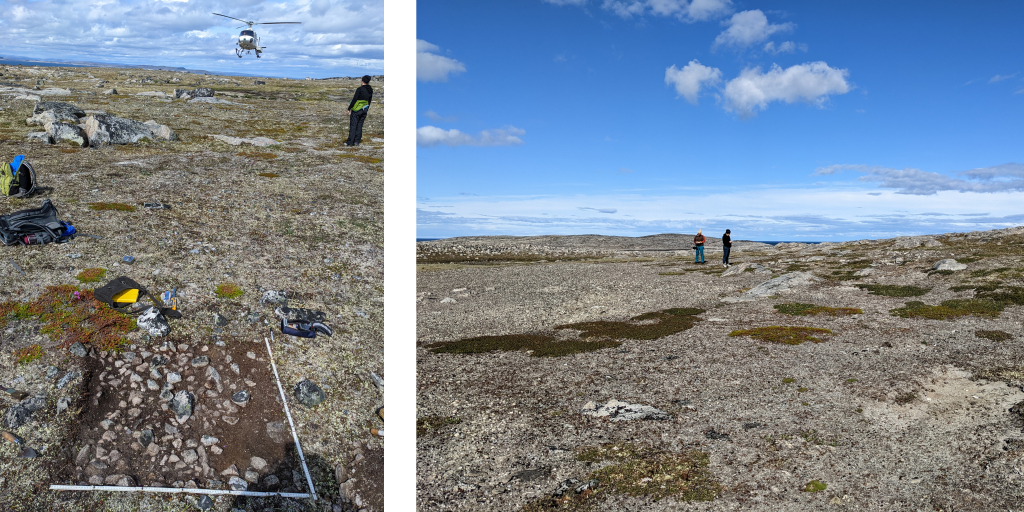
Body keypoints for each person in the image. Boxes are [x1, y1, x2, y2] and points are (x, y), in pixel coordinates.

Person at [345, 75, 374, 146]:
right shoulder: (370, 90)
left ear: (362, 81)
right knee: (360, 125)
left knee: (353, 125)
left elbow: (354, 100)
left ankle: (350, 142)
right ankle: (356, 141)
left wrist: (349, 108)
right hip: (365, 109)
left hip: (357, 110)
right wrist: (367, 109)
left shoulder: (360, 89)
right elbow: (369, 101)